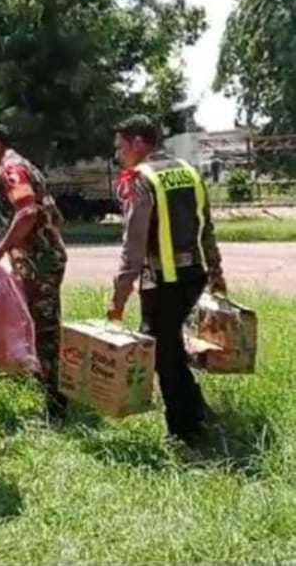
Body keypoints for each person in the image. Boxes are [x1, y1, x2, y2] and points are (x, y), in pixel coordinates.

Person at [107, 114, 226, 444]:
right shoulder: (188, 171)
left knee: (164, 356)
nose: (118, 155)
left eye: (120, 147)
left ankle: (184, 431)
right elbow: (207, 228)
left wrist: (118, 298)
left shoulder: (141, 179)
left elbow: (133, 246)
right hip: (194, 278)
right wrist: (217, 275)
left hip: (164, 283)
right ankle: (198, 411)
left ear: (138, 143)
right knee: (177, 351)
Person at [0, 123, 69, 419]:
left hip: (39, 263)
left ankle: (57, 405)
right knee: (41, 327)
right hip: (44, 257)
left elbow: (27, 212)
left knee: (46, 332)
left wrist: (0, 250)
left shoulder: (11, 170)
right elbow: (54, 214)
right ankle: (49, 389)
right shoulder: (28, 167)